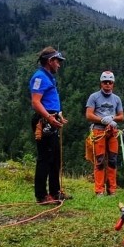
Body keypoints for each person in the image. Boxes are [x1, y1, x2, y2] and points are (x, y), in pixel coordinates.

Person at [30, 46, 70, 204]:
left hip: (52, 119)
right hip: (44, 121)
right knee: (45, 158)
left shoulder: (48, 77)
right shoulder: (39, 77)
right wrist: (48, 117)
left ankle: (55, 192)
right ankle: (41, 195)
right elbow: (35, 102)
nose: (59, 64)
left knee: (55, 159)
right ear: (49, 61)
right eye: (57, 61)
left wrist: (58, 116)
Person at [85, 71, 124, 195]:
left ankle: (112, 189)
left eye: (110, 82)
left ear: (113, 84)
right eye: (105, 82)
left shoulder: (116, 99)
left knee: (112, 160)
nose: (107, 84)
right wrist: (101, 119)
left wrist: (112, 119)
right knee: (100, 160)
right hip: (98, 130)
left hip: (112, 131)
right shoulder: (94, 97)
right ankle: (99, 190)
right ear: (101, 83)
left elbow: (121, 116)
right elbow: (89, 114)